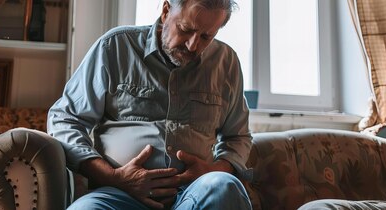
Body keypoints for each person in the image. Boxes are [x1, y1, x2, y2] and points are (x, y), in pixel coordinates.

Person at [48, 0, 252, 209]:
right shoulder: (115, 47)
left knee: (224, 186)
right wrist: (113, 176)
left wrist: (213, 170)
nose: (192, 45)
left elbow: (238, 137)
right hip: (117, 193)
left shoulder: (226, 62)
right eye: (185, 29)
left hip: (194, 194)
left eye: (206, 37)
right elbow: (65, 119)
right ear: (166, 11)